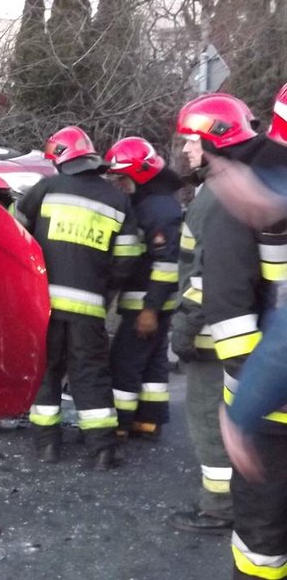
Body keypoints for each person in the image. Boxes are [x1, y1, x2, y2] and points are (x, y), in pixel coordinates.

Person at [178, 88, 287, 579]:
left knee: (263, 543)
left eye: (190, 140)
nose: (184, 151)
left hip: (270, 409)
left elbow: (228, 305)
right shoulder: (256, 187)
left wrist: (247, 399)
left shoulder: (234, 197)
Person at [18, 126, 139, 470]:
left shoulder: (46, 189)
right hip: (89, 308)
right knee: (91, 374)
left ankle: (47, 446)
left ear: (59, 159)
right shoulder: (117, 200)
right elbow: (127, 258)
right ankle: (102, 450)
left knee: (46, 372)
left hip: (44, 305)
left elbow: (15, 233)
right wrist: (103, 289)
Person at [166, 126, 233, 533]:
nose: (188, 149)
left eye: (194, 140)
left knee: (209, 420)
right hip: (232, 333)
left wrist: (183, 331)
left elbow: (205, 275)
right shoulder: (232, 188)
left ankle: (219, 509)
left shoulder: (214, 198)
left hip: (212, 336)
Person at [106, 137, 182, 441]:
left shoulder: (158, 209)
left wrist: (149, 309)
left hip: (147, 303)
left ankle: (120, 424)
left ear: (137, 174)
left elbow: (165, 264)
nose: (119, 185)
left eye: (121, 178)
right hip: (153, 302)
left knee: (126, 362)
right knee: (153, 362)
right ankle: (148, 421)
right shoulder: (154, 202)